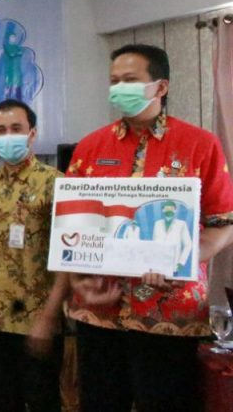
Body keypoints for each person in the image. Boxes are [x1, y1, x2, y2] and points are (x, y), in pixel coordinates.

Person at [64, 44, 233, 412]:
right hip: (99, 310)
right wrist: (78, 280)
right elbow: (72, 227)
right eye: (113, 81)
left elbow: (223, 224)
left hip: (170, 312)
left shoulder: (199, 145)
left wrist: (183, 259)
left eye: (129, 80)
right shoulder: (90, 147)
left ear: (161, 86)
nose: (118, 89)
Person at [0, 99, 68, 412]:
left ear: (32, 133)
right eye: (1, 130)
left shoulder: (55, 183)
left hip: (37, 319)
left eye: (16, 128)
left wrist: (49, 316)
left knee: (43, 401)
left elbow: (68, 257)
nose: (8, 136)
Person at [150, 200, 193, 274]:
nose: (169, 210)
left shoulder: (181, 224)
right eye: (167, 208)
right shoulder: (157, 224)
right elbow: (154, 243)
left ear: (175, 210)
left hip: (173, 264)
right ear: (163, 210)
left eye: (171, 208)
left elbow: (188, 244)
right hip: (157, 265)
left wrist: (181, 262)